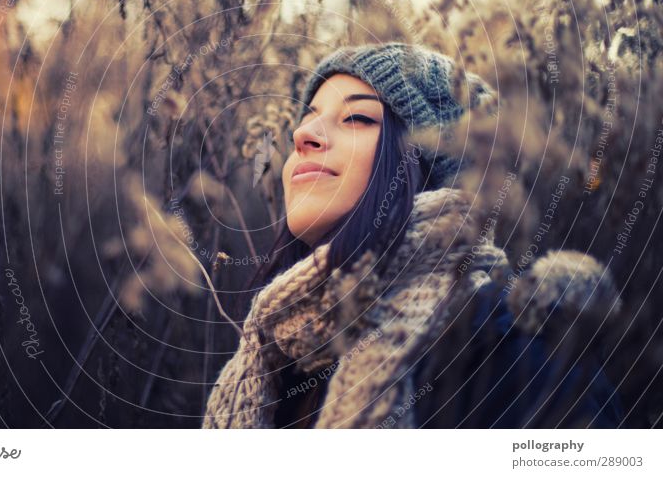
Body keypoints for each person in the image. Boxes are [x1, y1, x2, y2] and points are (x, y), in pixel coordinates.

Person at [201, 42, 625, 429]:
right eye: (308, 118)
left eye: (356, 118)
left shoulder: (509, 348)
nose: (301, 135)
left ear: (431, 165)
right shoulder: (279, 362)